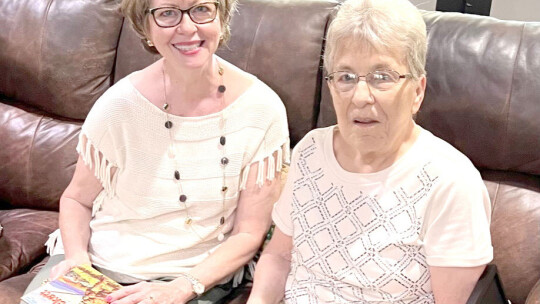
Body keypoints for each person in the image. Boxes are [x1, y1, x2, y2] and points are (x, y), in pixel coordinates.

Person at [21, 0, 290, 303]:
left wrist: (182, 287)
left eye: (202, 9)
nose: (188, 28)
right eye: (167, 13)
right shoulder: (118, 105)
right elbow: (76, 199)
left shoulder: (262, 110)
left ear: (222, 17)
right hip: (97, 263)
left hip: (191, 275)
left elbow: (248, 234)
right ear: (145, 28)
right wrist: (78, 263)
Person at [247, 0, 493, 303]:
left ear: (417, 91)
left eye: (382, 77)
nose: (361, 97)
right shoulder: (310, 151)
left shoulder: (450, 183)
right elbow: (280, 257)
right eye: (346, 77)